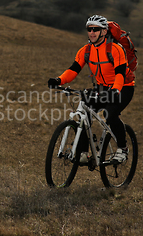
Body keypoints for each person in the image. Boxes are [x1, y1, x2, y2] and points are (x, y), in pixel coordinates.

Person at [47, 15, 135, 164]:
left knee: (110, 115)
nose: (92, 32)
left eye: (96, 29)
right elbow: (73, 70)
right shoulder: (86, 50)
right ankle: (83, 153)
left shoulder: (115, 49)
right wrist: (59, 80)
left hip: (123, 87)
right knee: (84, 112)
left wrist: (115, 90)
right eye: (89, 29)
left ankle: (122, 149)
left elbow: (120, 74)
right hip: (102, 88)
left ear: (104, 32)